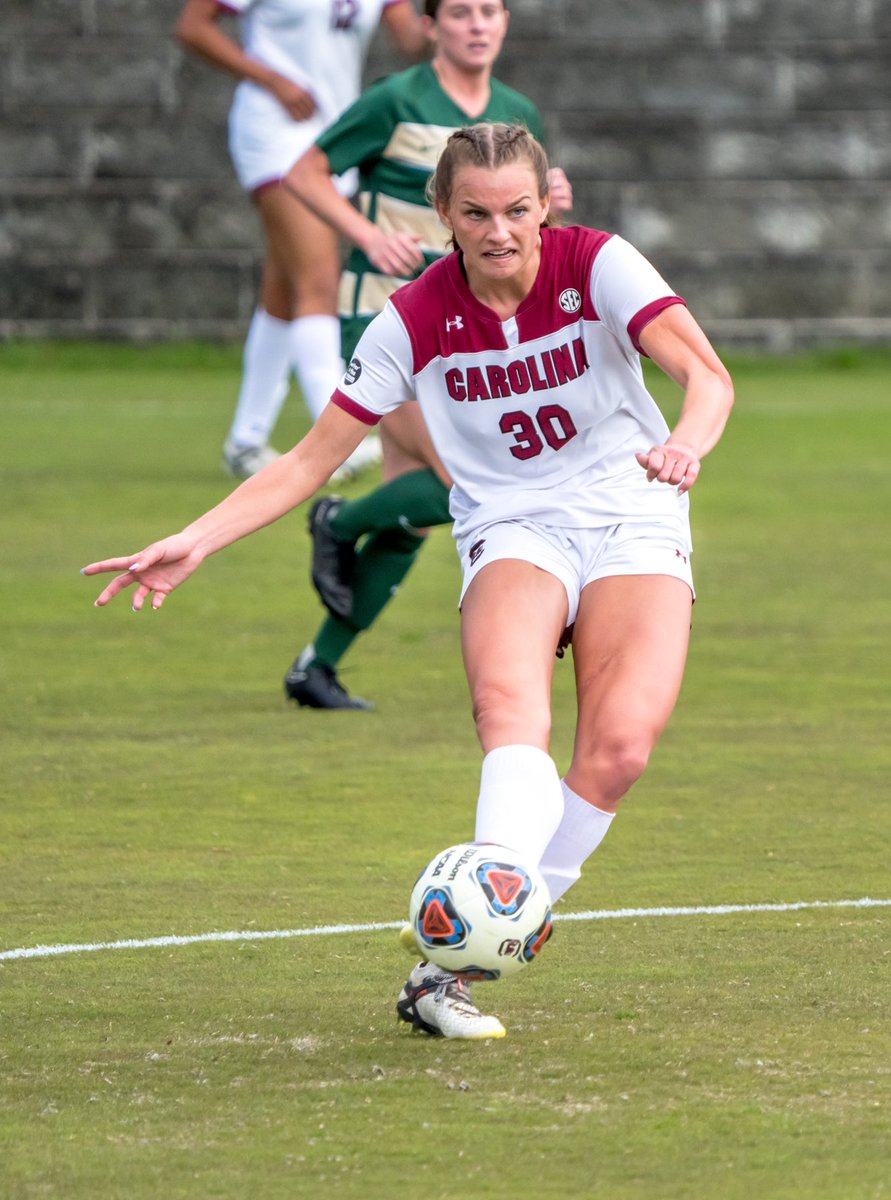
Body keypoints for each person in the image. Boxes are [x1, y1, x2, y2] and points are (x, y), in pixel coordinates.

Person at [83, 124, 734, 1040]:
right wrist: (195, 539)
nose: (498, 231)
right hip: (513, 523)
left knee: (619, 750)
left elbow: (705, 376)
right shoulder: (415, 317)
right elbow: (310, 458)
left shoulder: (598, 265)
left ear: (544, 205)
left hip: (634, 508)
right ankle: (456, 971)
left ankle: (446, 962)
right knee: (509, 712)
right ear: (442, 215)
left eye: (516, 210)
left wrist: (684, 444)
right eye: (475, 213)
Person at [276, 0, 574, 709]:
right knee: (461, 484)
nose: (477, 25)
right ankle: (337, 522)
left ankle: (316, 667)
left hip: (460, 326)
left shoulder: (516, 112)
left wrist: (554, 202)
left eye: (489, 11)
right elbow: (305, 172)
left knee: (412, 517)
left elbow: (523, 221)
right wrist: (366, 234)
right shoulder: (396, 99)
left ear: (505, 23)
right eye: (460, 13)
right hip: (383, 317)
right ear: (430, 26)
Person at [175, 0, 429, 479]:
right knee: (319, 284)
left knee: (285, 292)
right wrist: (272, 79)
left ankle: (245, 440)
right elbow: (193, 26)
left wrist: (452, 20)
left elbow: (413, 39)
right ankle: (337, 443)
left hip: (332, 136)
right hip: (275, 131)